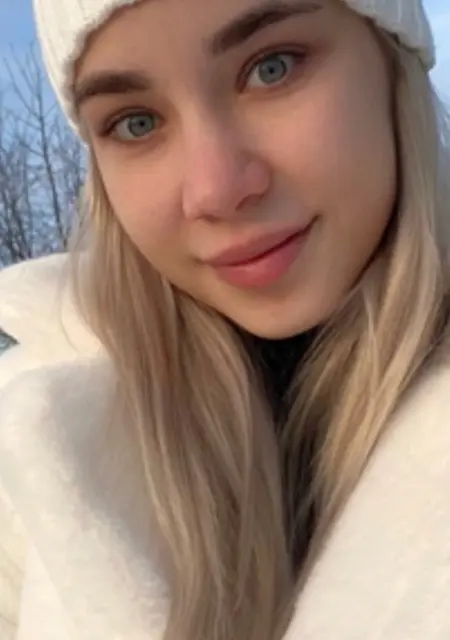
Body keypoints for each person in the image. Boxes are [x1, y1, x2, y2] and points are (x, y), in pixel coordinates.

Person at [0, 0, 449, 637]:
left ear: (391, 56)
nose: (215, 190)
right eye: (135, 123)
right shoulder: (29, 453)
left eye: (272, 68)